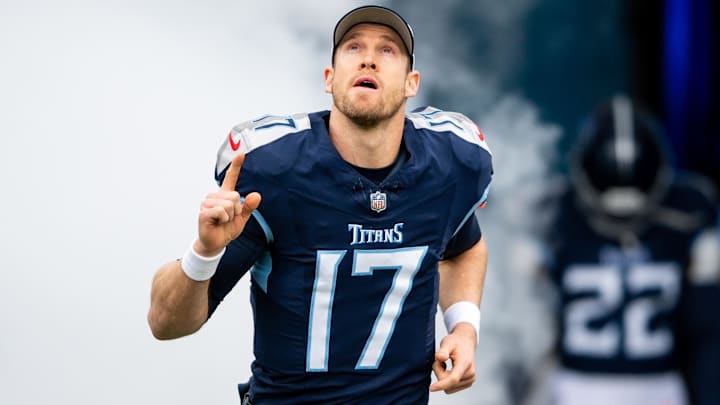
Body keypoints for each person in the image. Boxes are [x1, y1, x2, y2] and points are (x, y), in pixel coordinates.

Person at [147, 5, 494, 404]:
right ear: (330, 79)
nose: (368, 57)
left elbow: (463, 247)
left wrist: (464, 327)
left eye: (387, 51)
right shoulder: (276, 174)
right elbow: (164, 323)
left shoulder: (449, 165)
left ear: (411, 83)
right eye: (353, 47)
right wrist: (204, 251)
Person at [516, 95, 720, 405]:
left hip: (599, 388)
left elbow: (707, 324)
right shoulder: (690, 209)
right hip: (630, 388)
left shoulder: (551, 211)